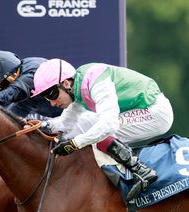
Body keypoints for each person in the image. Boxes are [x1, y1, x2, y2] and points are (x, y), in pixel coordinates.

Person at [31, 59, 173, 201]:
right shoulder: (78, 86)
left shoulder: (96, 83)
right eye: (46, 98)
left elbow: (109, 124)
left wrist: (74, 144)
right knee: (86, 123)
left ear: (66, 83)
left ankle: (142, 172)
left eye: (51, 94)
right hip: (141, 108)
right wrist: (42, 125)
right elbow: (66, 124)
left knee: (99, 132)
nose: (52, 103)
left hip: (155, 112)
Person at [0, 50, 62, 119]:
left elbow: (14, 91)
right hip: (57, 115)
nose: (0, 88)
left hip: (71, 112)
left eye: (1, 84)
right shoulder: (19, 71)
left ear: (11, 75)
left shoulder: (36, 71)